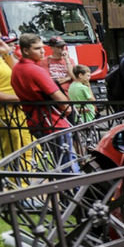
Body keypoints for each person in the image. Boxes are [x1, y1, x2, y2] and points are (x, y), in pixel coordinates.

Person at [10, 33, 77, 171]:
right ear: (25, 50)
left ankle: (63, 191)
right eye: (37, 48)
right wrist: (67, 106)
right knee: (68, 164)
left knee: (58, 163)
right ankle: (74, 191)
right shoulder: (35, 70)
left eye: (42, 47)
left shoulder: (17, 69)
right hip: (53, 121)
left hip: (36, 121)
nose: (42, 51)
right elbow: (61, 101)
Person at [0, 34, 33, 160]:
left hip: (19, 113)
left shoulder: (3, 57)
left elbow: (20, 73)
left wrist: (7, 53)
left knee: (28, 149)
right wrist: (20, 98)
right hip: (5, 116)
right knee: (12, 153)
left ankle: (27, 178)